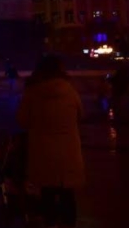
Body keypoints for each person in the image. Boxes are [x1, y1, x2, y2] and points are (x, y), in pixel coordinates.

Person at [17, 54, 84, 228]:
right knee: (68, 194)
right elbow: (80, 115)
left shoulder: (32, 93)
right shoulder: (70, 91)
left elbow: (22, 120)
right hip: (68, 152)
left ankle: (50, 222)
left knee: (47, 192)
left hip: (43, 151)